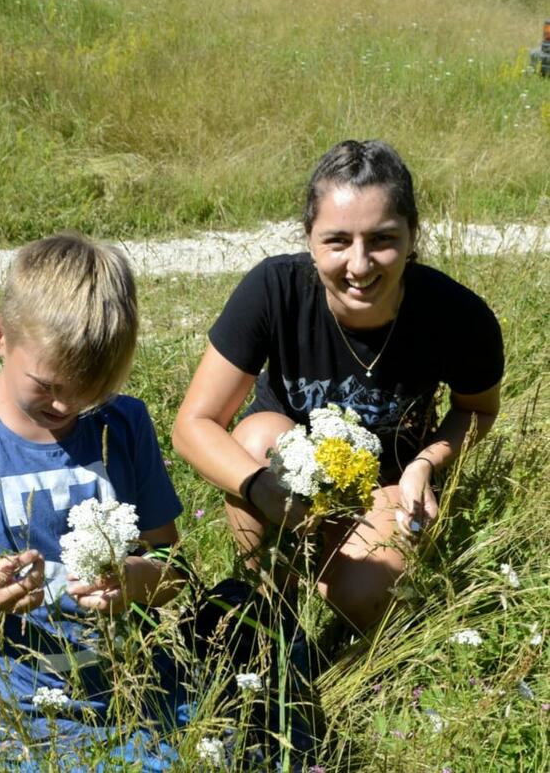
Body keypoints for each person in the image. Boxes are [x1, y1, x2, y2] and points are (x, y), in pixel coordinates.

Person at [0, 232, 192, 768]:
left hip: (138, 690)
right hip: (17, 710)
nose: (68, 404)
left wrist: (137, 579)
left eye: (91, 387)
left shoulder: (125, 420)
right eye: (47, 384)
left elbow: (175, 566)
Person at [172, 140, 504, 632]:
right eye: (337, 241)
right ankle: (272, 604)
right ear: (309, 238)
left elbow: (477, 409)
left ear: (414, 234)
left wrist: (424, 465)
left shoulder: (456, 315)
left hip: (388, 485)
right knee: (255, 438)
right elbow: (192, 426)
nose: (360, 264)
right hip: (277, 482)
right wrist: (257, 485)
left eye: (383, 239)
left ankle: (335, 584)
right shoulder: (273, 290)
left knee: (363, 600)